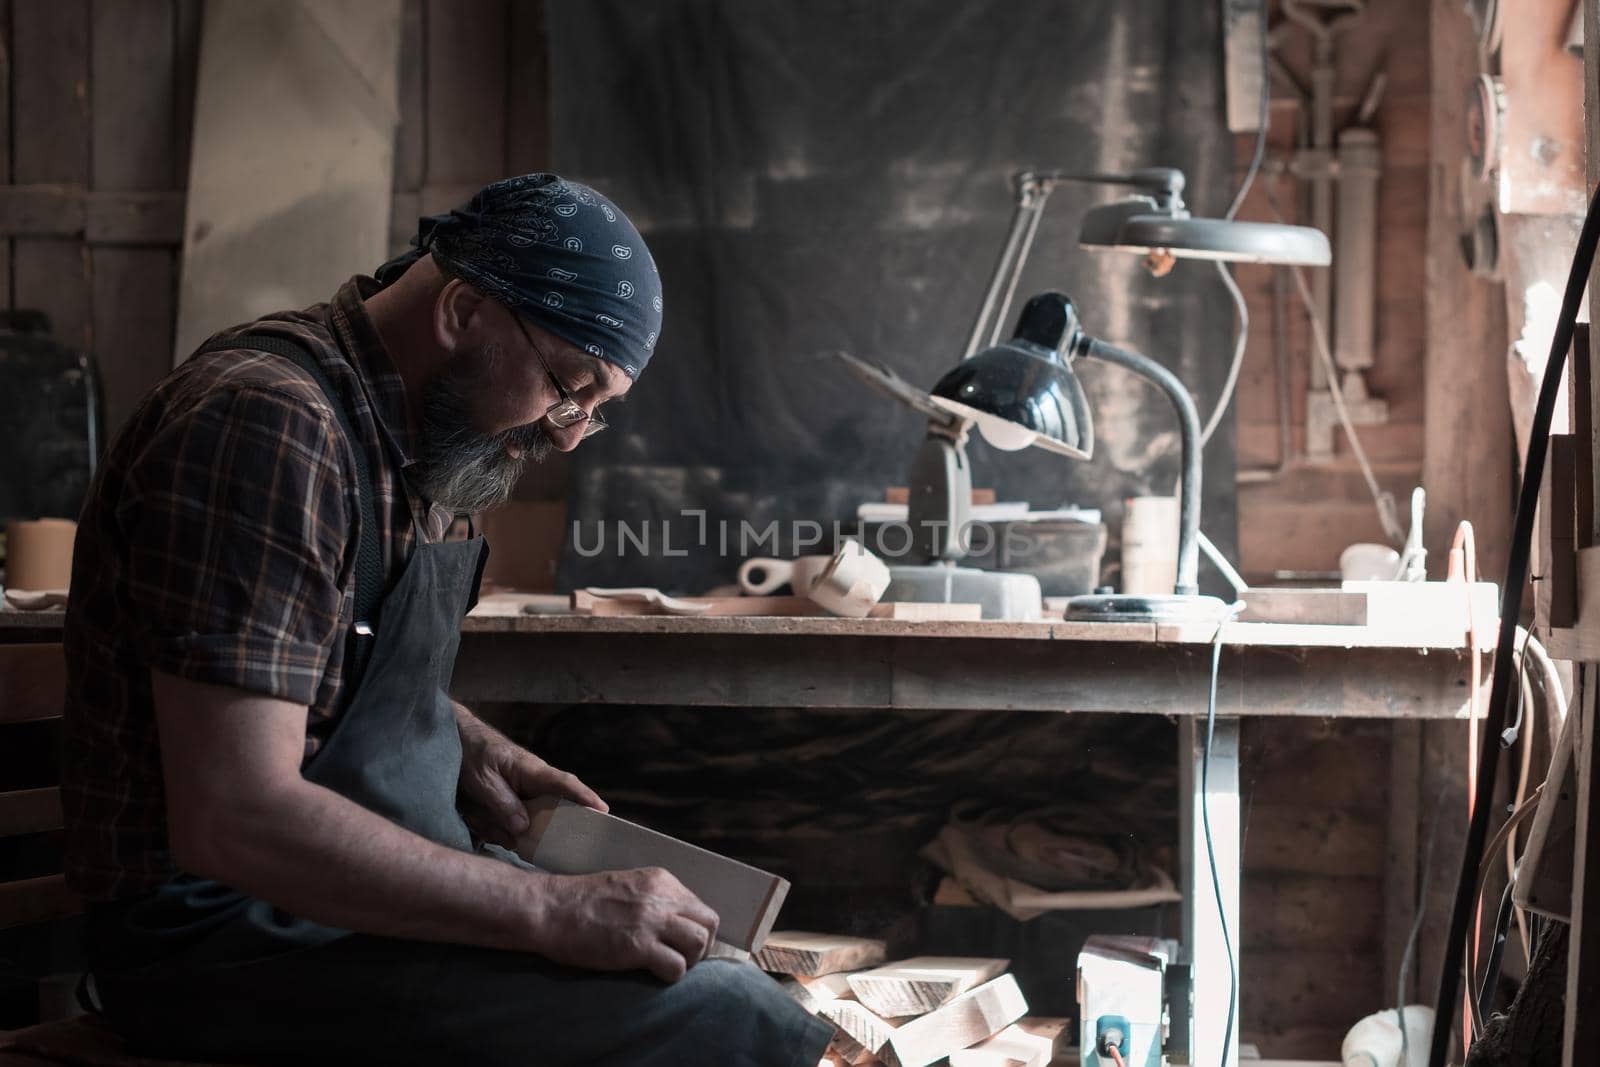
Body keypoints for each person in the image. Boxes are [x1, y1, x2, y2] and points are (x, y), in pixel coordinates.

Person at [60, 174, 833, 1066]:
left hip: (324, 910)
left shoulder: (416, 436)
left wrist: (461, 741)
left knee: (719, 966)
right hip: (223, 942)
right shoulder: (267, 420)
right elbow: (234, 812)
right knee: (719, 1015)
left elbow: (312, 663)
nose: (570, 434)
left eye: (596, 411)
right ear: (464, 310)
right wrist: (555, 909)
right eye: (567, 388)